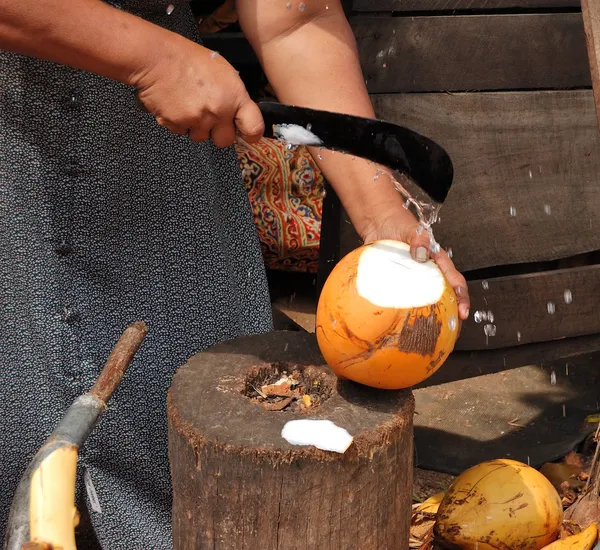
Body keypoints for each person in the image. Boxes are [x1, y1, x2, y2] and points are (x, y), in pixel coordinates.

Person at [0, 0, 471, 547]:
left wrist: (382, 213)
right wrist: (150, 58)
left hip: (172, 185)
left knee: (211, 477)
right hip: (18, 173)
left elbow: (294, 17)